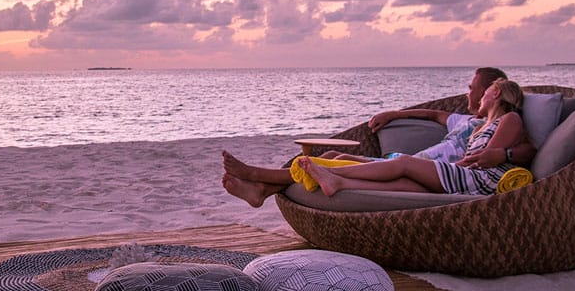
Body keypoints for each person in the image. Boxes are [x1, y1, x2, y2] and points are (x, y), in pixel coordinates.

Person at [222, 68, 534, 207]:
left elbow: (507, 153)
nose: (469, 93)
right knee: (339, 159)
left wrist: (505, 156)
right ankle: (264, 189)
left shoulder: (508, 118)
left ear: (493, 90)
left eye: (473, 88)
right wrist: (394, 114)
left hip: (454, 175)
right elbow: (432, 115)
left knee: (349, 163)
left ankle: (261, 177)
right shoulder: (470, 123)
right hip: (437, 172)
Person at [296, 78, 529, 198]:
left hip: (482, 180)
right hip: (468, 175)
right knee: (405, 184)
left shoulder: (509, 118)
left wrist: (455, 165)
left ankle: (332, 172)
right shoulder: (481, 125)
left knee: (404, 163)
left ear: (496, 92)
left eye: (485, 93)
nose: (480, 99)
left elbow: (487, 158)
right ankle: (339, 182)